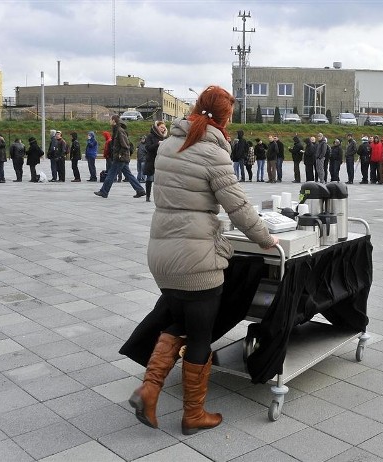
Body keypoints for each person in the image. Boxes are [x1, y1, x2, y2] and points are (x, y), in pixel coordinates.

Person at [130, 85, 278, 435]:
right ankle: (193, 414)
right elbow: (238, 207)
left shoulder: (169, 144)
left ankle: (149, 390)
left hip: (161, 251)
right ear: (225, 116)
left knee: (178, 319)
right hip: (195, 256)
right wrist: (265, 238)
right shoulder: (212, 152)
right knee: (199, 336)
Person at [95, 115, 145, 198]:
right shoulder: (116, 130)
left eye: (110, 119)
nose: (109, 121)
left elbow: (125, 145)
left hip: (120, 158)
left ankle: (104, 191)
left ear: (114, 121)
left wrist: (120, 154)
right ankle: (140, 190)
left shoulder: (119, 131)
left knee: (111, 174)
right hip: (121, 158)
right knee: (129, 175)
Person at [143, 121, 167, 202]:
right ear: (157, 127)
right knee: (149, 178)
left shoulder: (164, 137)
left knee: (161, 180)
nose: (163, 129)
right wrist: (158, 144)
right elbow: (148, 148)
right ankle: (148, 196)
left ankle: (160, 197)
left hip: (161, 160)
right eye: (161, 127)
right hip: (151, 160)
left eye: (164, 127)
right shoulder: (150, 136)